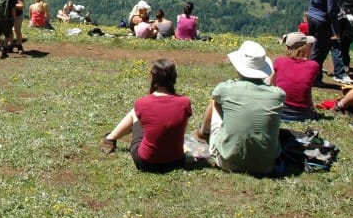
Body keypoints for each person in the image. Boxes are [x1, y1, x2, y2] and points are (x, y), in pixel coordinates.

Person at [194, 40, 284, 175]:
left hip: (227, 161)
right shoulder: (278, 94)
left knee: (215, 102)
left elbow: (217, 96)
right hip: (266, 165)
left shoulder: (225, 88)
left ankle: (203, 133)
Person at [101, 59, 193, 172]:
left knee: (135, 113)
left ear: (152, 77)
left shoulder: (142, 103)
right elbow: (181, 129)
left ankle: (110, 138)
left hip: (146, 162)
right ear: (174, 77)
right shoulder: (185, 102)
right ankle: (110, 138)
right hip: (176, 162)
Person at [298, 0, 352, 84]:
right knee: (320, 49)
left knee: (312, 45)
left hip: (311, 16)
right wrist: (335, 30)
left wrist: (314, 1)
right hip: (322, 20)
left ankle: (313, 76)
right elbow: (331, 10)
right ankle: (312, 77)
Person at [268, 32, 321, 121]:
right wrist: (306, 56)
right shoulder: (313, 66)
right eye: (308, 45)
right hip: (303, 115)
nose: (311, 46)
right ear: (304, 47)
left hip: (279, 111)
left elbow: (271, 84)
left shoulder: (279, 61)